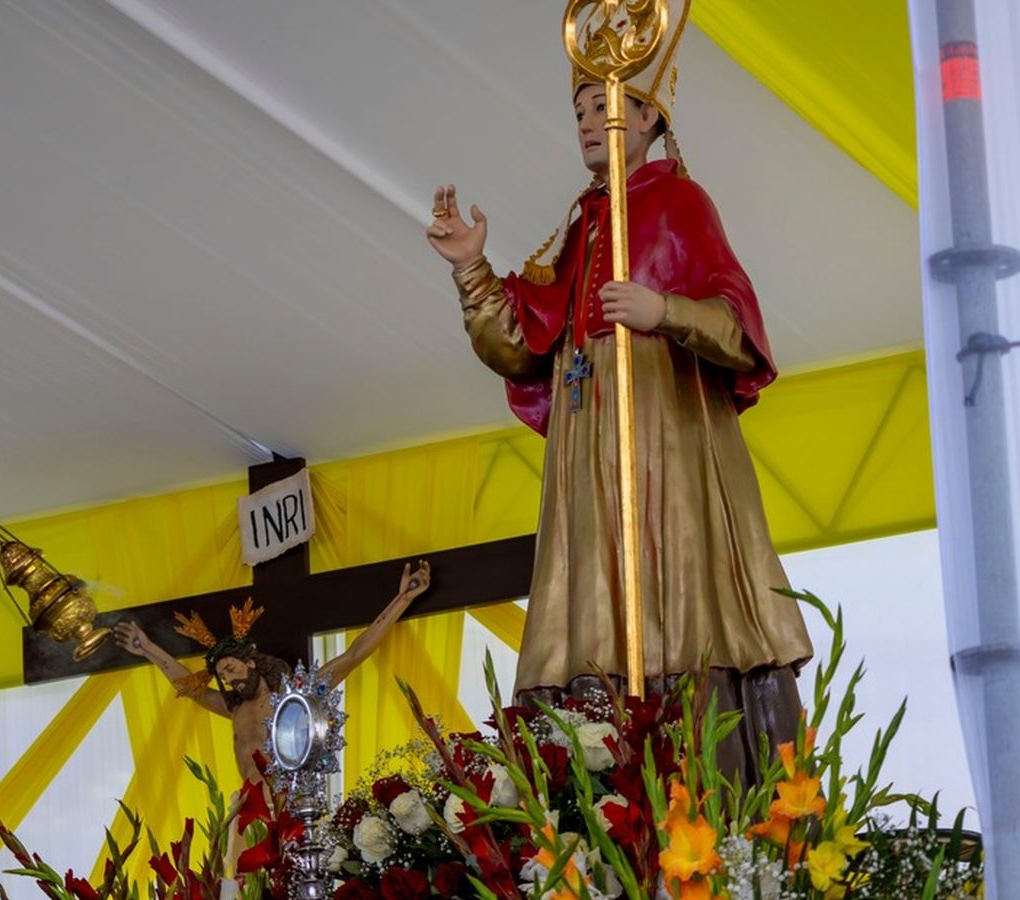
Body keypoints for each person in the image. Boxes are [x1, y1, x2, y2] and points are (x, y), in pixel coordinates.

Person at [423, 2, 812, 783]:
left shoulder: (680, 206)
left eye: (607, 105)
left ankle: (695, 757)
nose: (589, 120)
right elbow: (521, 346)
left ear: (649, 118)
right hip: (587, 448)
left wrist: (663, 310)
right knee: (591, 595)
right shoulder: (581, 224)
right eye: (579, 109)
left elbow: (742, 329)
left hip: (665, 442)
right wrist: (470, 265)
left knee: (671, 586)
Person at [112, 560, 430, 786]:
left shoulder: (296, 696)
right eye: (224, 676)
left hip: (288, 799)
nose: (231, 679)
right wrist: (149, 649)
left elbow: (355, 653)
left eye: (233, 669)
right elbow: (191, 688)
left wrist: (402, 599)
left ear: (251, 662)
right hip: (249, 805)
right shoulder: (234, 707)